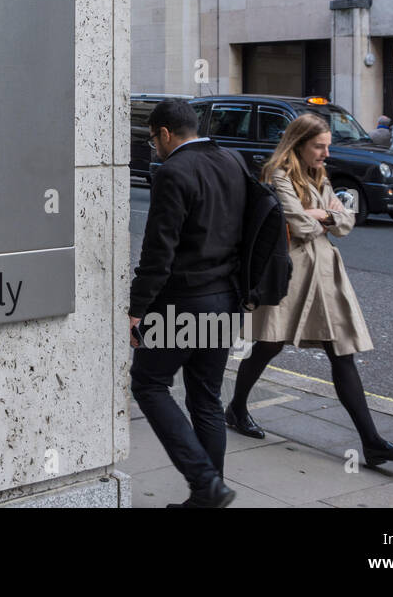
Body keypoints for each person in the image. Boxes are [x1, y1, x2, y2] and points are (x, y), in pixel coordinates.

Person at [224, 112, 393, 467]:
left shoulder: (319, 174)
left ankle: (371, 442)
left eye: (328, 147)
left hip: (325, 276)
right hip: (288, 275)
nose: (326, 154)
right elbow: (297, 224)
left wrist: (322, 216)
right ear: (298, 144)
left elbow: (347, 221)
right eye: (319, 147)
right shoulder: (278, 174)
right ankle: (236, 408)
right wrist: (319, 216)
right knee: (268, 345)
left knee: (341, 352)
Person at [129, 99, 246, 507]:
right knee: (206, 398)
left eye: (151, 139)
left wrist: (137, 308)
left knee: (148, 384)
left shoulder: (173, 172)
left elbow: (158, 251)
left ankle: (205, 483)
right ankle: (209, 495)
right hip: (226, 299)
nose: (152, 147)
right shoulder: (232, 161)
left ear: (164, 133)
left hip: (183, 304)